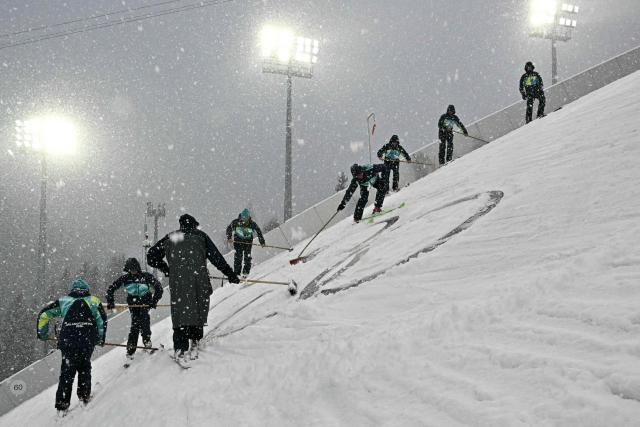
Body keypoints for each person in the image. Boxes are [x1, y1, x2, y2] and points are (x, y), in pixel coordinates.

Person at [147, 213, 239, 362]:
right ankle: (195, 340)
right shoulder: (200, 236)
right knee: (197, 310)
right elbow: (216, 258)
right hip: (199, 281)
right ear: (194, 225)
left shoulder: (171, 237)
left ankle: (180, 347)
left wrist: (166, 269)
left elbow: (151, 255)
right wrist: (230, 274)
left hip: (179, 283)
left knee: (180, 313)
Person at [37, 278, 107, 413]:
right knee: (84, 367)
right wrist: (100, 339)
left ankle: (62, 404)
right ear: (87, 290)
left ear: (72, 290)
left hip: (68, 341)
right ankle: (84, 396)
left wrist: (43, 333)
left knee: (67, 372)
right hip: (87, 340)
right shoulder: (93, 301)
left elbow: (44, 314)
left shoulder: (64, 301)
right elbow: (101, 321)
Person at [105, 258, 163, 360]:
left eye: (134, 269)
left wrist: (153, 302)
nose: (133, 271)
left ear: (138, 268)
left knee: (144, 319)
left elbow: (159, 288)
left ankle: (147, 341)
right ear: (128, 269)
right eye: (130, 269)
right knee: (135, 324)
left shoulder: (146, 276)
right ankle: (131, 348)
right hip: (133, 304)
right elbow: (111, 289)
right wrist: (110, 302)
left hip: (145, 302)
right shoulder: (125, 278)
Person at [226, 208, 266, 278]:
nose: (244, 220)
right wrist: (229, 237)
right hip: (238, 243)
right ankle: (237, 274)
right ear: (241, 217)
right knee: (238, 258)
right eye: (243, 218)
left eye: (246, 219)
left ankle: (245, 272)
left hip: (248, 243)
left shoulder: (252, 224)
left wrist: (262, 242)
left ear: (248, 218)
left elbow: (258, 231)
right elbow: (229, 228)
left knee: (247, 258)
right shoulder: (235, 222)